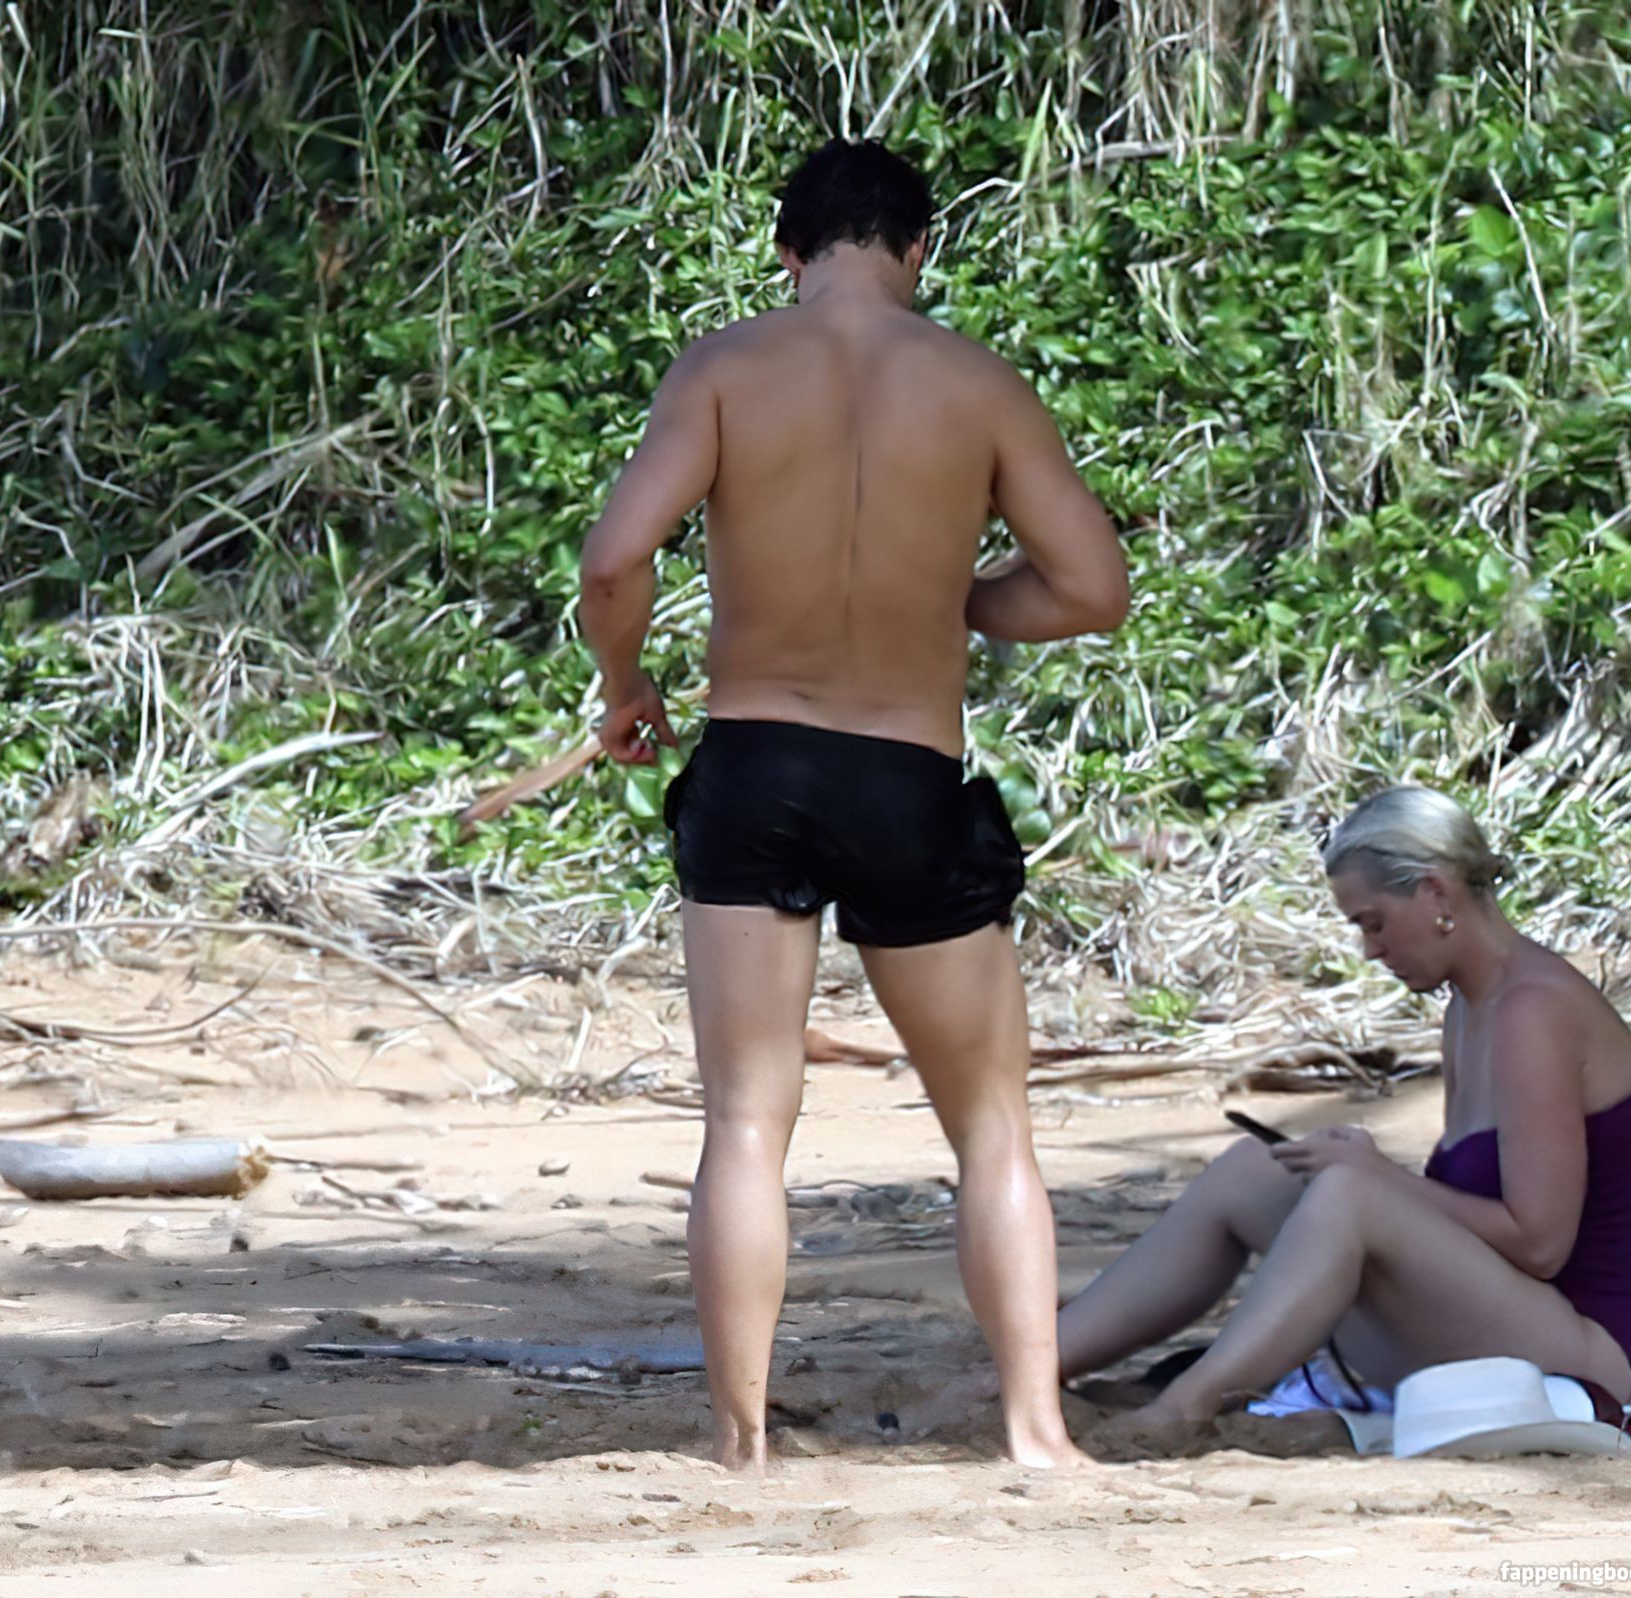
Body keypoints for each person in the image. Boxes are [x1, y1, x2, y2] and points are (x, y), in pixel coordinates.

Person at [577, 137, 1130, 1470]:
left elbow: (614, 558)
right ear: (918, 249)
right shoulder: (979, 385)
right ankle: (1036, 1430)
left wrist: (626, 683)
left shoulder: (724, 368)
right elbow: (1092, 588)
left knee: (746, 1119)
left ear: (788, 252)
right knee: (991, 1123)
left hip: (756, 763)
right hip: (906, 769)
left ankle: (740, 1439)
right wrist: (956, 597)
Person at [1054, 785, 1631, 1438]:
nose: (1371, 950)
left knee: (1350, 1193)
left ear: (1434, 892)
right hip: (1500, 1318)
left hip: (1593, 1357)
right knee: (1252, 1170)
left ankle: (1183, 1408)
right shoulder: (1469, 1009)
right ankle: (1031, 1368)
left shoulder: (1533, 1011)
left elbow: (1540, 1244)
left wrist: (1376, 1176)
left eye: (1373, 923)